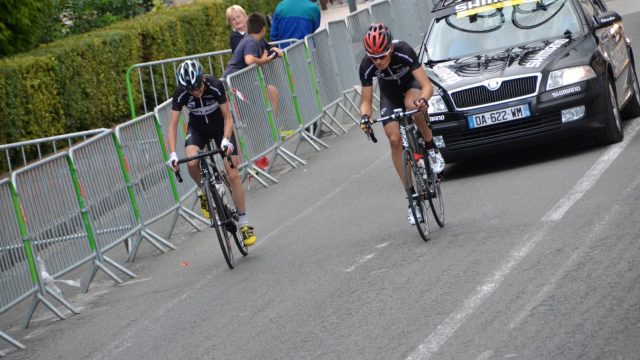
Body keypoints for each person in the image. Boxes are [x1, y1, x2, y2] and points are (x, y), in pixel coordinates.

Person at [358, 23, 446, 225]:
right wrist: (364, 117)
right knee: (395, 140)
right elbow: (366, 101)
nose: (378, 61)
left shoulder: (404, 50)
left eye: (382, 56)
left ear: (390, 49)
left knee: (411, 105)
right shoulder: (367, 64)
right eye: (374, 57)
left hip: (411, 87)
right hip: (389, 95)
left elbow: (426, 85)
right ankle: (413, 198)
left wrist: (423, 100)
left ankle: (431, 148)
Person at [166, 59, 257, 246]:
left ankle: (244, 223)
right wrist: (173, 154)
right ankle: (204, 191)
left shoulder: (215, 85)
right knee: (191, 162)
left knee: (232, 174)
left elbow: (228, 117)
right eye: (190, 90)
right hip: (197, 129)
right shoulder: (180, 93)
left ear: (202, 80)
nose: (195, 92)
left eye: (197, 87)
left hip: (220, 127)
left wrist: (225, 139)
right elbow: (173, 126)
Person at [223, 13, 283, 118]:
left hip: (241, 80)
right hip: (235, 82)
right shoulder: (250, 41)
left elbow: (264, 49)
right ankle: (270, 127)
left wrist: (273, 51)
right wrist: (264, 60)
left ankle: (273, 126)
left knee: (272, 91)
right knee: (268, 95)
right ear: (263, 29)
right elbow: (249, 60)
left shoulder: (251, 39)